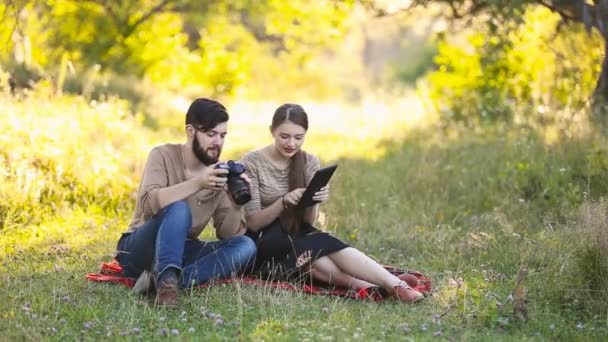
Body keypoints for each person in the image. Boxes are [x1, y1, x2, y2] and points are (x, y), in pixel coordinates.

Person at [240, 103, 424, 303]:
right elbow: (253, 223)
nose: (291, 143)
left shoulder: (309, 161)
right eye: (284, 136)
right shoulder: (252, 162)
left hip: (298, 233)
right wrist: (282, 202)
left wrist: (314, 200)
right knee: (315, 245)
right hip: (265, 240)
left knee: (313, 253)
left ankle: (382, 288)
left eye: (299, 137)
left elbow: (308, 222)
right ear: (272, 131)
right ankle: (388, 284)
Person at [114, 98, 256, 308]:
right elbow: (147, 204)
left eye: (222, 135)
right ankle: (167, 285)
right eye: (211, 134)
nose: (218, 142)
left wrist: (235, 203)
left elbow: (228, 234)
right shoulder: (162, 155)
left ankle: (162, 281)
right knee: (178, 208)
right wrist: (198, 183)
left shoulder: (218, 173)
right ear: (190, 131)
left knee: (246, 245)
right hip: (141, 248)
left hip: (181, 250)